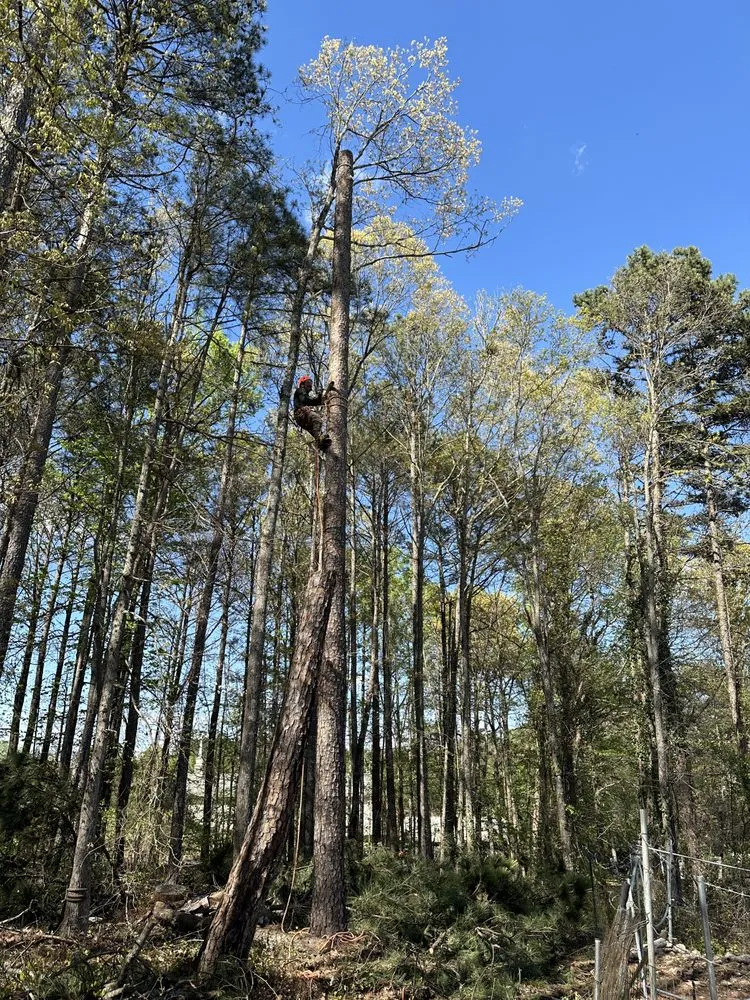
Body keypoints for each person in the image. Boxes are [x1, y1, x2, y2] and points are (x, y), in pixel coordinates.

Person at [293, 375, 332, 450]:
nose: (310, 386)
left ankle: (321, 445)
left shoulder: (304, 394)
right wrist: (318, 397)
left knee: (315, 430)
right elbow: (306, 400)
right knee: (317, 419)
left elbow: (312, 401)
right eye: (308, 383)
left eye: (311, 383)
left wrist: (320, 398)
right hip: (300, 414)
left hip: (302, 419)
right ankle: (320, 440)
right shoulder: (300, 390)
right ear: (302, 385)